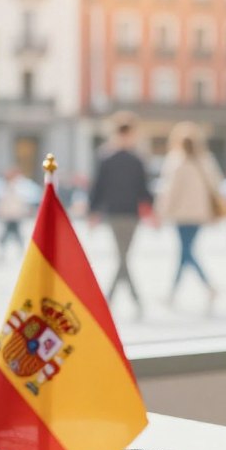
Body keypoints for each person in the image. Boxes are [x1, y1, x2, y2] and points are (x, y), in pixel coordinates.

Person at [88, 112, 154, 319]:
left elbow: (144, 189)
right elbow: (98, 187)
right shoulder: (111, 158)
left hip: (128, 214)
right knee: (123, 257)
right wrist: (93, 211)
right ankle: (125, 300)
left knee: (123, 257)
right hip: (117, 213)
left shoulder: (133, 158)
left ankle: (108, 301)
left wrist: (94, 210)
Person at [155, 121, 224, 310]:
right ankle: (182, 291)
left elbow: (169, 192)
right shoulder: (206, 160)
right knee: (186, 251)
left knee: (186, 251)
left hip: (182, 215)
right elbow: (216, 187)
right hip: (200, 215)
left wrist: (161, 213)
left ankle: (204, 287)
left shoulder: (176, 161)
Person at [0, 167, 31, 260]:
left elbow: (21, 201)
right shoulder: (7, 187)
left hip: (15, 214)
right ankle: (6, 252)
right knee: (10, 234)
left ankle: (20, 251)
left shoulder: (18, 186)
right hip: (9, 214)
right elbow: (2, 201)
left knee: (14, 234)